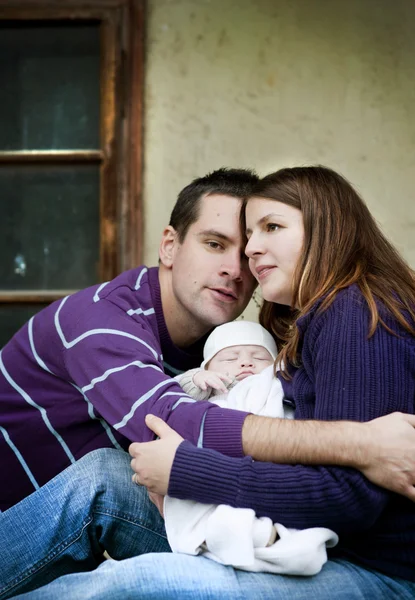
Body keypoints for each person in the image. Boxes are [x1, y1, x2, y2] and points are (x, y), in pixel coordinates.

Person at [0, 167, 415, 599]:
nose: (245, 260)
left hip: (358, 562)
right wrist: (360, 441)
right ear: (169, 246)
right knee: (102, 478)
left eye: (267, 230)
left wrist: (184, 472)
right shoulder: (99, 322)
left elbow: (346, 498)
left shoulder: (349, 315)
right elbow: (169, 418)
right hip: (294, 538)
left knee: (132, 583)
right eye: (217, 244)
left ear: (327, 228)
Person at [166, 320, 338, 576]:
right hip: (214, 461)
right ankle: (247, 535)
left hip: (270, 456)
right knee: (186, 487)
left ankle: (260, 536)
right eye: (230, 357)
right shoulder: (208, 391)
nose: (246, 363)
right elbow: (171, 399)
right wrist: (195, 379)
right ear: (207, 366)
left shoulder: (276, 385)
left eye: (259, 356)